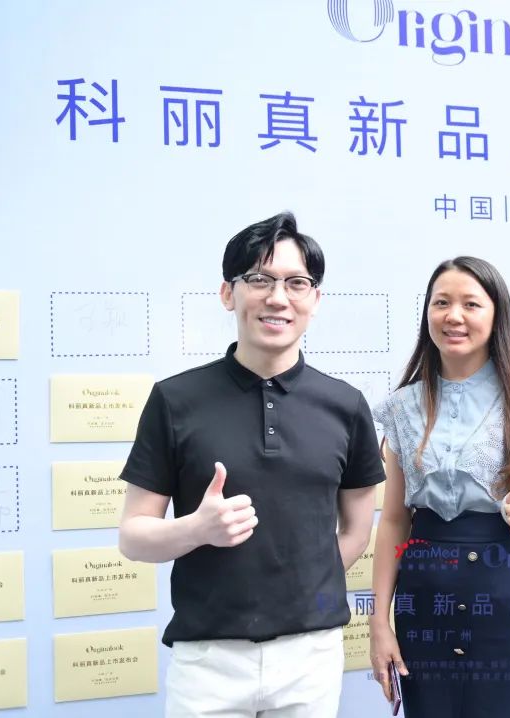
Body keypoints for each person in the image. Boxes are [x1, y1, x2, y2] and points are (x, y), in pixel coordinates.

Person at [117, 212, 383, 717]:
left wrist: (303, 583)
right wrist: (196, 529)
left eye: (296, 283)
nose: (278, 297)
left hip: (311, 657)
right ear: (228, 293)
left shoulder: (345, 405)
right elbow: (133, 536)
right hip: (209, 659)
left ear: (315, 299)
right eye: (259, 279)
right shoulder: (175, 400)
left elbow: (356, 529)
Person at [368, 256, 510, 718]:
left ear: (496, 315)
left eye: (471, 304)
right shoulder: (402, 407)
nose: (454, 316)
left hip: (504, 590)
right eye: (441, 303)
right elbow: (393, 521)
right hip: (424, 596)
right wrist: (379, 622)